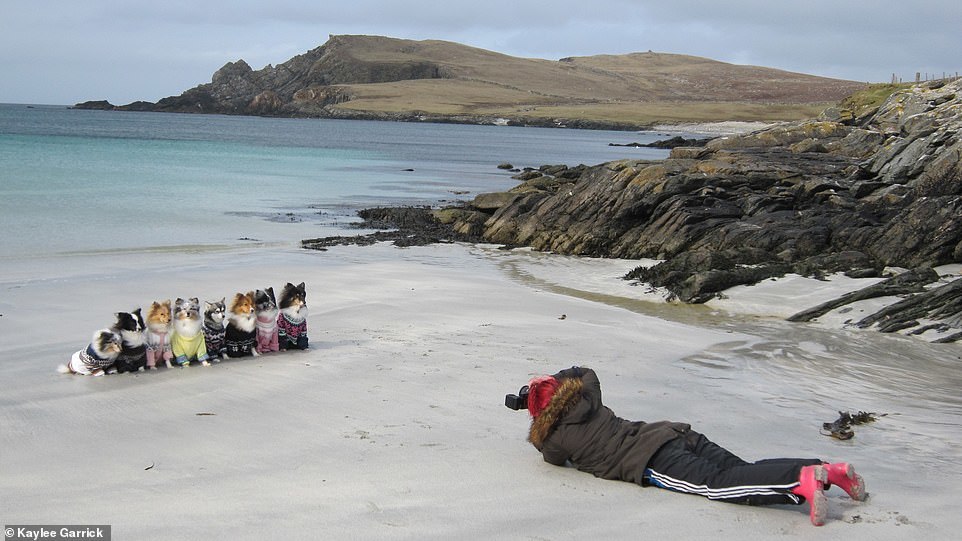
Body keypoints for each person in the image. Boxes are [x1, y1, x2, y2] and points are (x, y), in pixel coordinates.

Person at [524, 366, 866, 526]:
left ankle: (801, 481)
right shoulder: (589, 395)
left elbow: (551, 456)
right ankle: (828, 472)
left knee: (720, 485)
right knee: (743, 469)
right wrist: (553, 378)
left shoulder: (553, 437)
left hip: (653, 460)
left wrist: (535, 414)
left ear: (539, 412)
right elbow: (585, 371)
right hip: (673, 432)